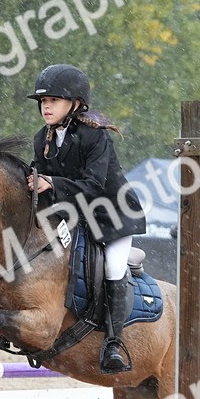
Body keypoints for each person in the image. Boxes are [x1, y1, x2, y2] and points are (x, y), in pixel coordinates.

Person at [26, 63, 146, 374]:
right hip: (78, 216)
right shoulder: (42, 139)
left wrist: (51, 182)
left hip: (113, 216)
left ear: (75, 103)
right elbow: (42, 181)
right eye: (43, 101)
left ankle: (114, 344)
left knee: (113, 267)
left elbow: (93, 185)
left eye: (53, 100)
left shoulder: (95, 136)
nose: (46, 106)